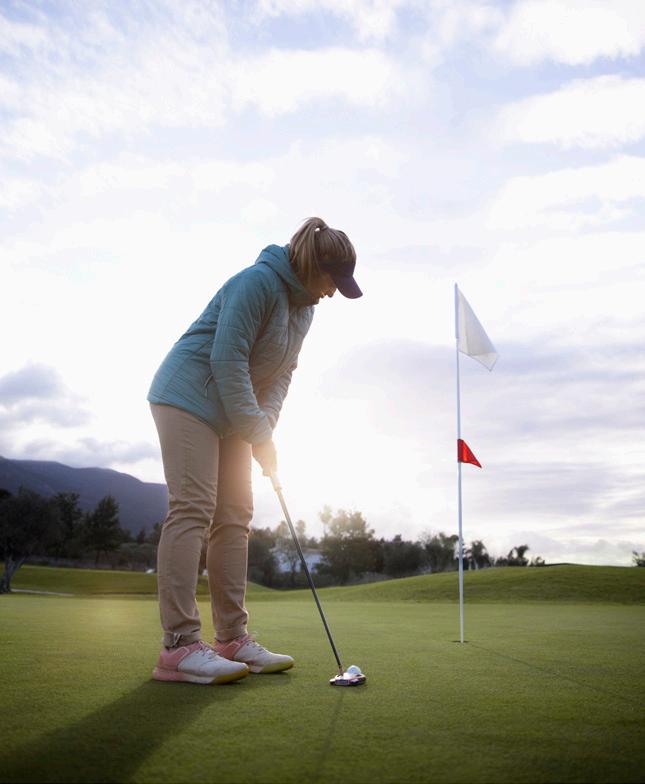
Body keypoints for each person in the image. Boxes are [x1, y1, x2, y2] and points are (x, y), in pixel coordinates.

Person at [147, 217, 362, 685]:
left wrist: (264, 432)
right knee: (193, 508)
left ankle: (232, 638)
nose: (332, 292)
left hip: (230, 411)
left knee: (236, 515)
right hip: (187, 396)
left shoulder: (305, 309)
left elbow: (282, 376)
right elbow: (228, 362)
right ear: (312, 265)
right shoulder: (256, 283)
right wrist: (257, 434)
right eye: (331, 280)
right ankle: (179, 647)